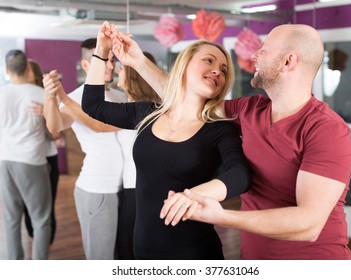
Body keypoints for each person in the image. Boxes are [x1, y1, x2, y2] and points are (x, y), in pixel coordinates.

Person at [108, 23, 351, 260]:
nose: (254, 56)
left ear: (288, 61)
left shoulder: (327, 130)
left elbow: (309, 224)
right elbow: (184, 97)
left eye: (264, 50)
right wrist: (139, 62)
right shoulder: (250, 110)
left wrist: (223, 217)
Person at [80, 21, 250, 260]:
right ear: (184, 64)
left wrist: (193, 195)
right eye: (209, 61)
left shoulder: (219, 129)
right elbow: (93, 106)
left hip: (194, 252)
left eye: (223, 70)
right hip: (144, 247)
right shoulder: (148, 113)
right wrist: (102, 50)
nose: (217, 71)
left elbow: (240, 175)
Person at [42, 38, 127, 260]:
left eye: (112, 60)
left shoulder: (120, 96)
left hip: (126, 189)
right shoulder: (75, 98)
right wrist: (51, 97)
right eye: (104, 60)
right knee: (101, 259)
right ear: (87, 65)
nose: (110, 65)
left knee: (122, 258)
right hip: (98, 188)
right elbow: (55, 126)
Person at [0, 49, 52, 259]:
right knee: (41, 220)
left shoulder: (1, 94)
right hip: (31, 161)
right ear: (28, 67)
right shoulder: (40, 94)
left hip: (4, 161)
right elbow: (54, 131)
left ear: (6, 70)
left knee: (11, 219)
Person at [115, 51, 161, 259]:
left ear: (133, 75)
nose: (117, 70)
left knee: (129, 251)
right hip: (133, 187)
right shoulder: (148, 107)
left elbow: (93, 117)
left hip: (137, 189)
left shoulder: (138, 111)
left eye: (122, 68)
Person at [25, 59, 60, 245]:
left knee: (46, 205)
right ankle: (34, 238)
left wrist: (45, 112)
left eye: (27, 69)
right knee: (27, 206)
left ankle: (45, 242)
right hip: (25, 161)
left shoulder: (45, 96)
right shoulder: (15, 95)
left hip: (46, 159)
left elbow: (56, 135)